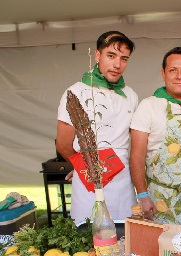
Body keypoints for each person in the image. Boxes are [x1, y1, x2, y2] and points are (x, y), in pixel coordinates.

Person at [56, 31, 138, 224]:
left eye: (124, 59)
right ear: (97, 55)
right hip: (88, 187)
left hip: (124, 185)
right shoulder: (75, 92)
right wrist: (85, 168)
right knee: (90, 238)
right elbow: (63, 144)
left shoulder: (131, 95)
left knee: (124, 239)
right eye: (111, 56)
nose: (117, 65)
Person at [130, 47, 181, 225]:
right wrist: (143, 196)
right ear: (163, 73)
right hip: (161, 200)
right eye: (173, 70)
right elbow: (137, 155)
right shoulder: (148, 106)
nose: (179, 76)